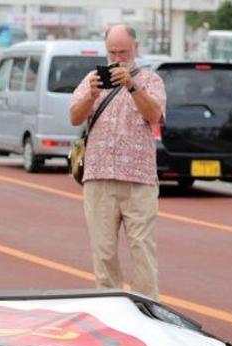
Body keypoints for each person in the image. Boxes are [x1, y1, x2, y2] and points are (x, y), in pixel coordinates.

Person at [68, 25, 166, 300]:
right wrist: (91, 94)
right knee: (104, 253)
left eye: (123, 52)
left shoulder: (151, 80)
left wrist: (131, 86)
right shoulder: (91, 80)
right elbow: (75, 117)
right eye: (112, 52)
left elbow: (154, 116)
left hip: (139, 180)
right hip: (99, 178)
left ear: (135, 48)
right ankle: (111, 314)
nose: (117, 58)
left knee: (142, 250)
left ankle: (148, 313)